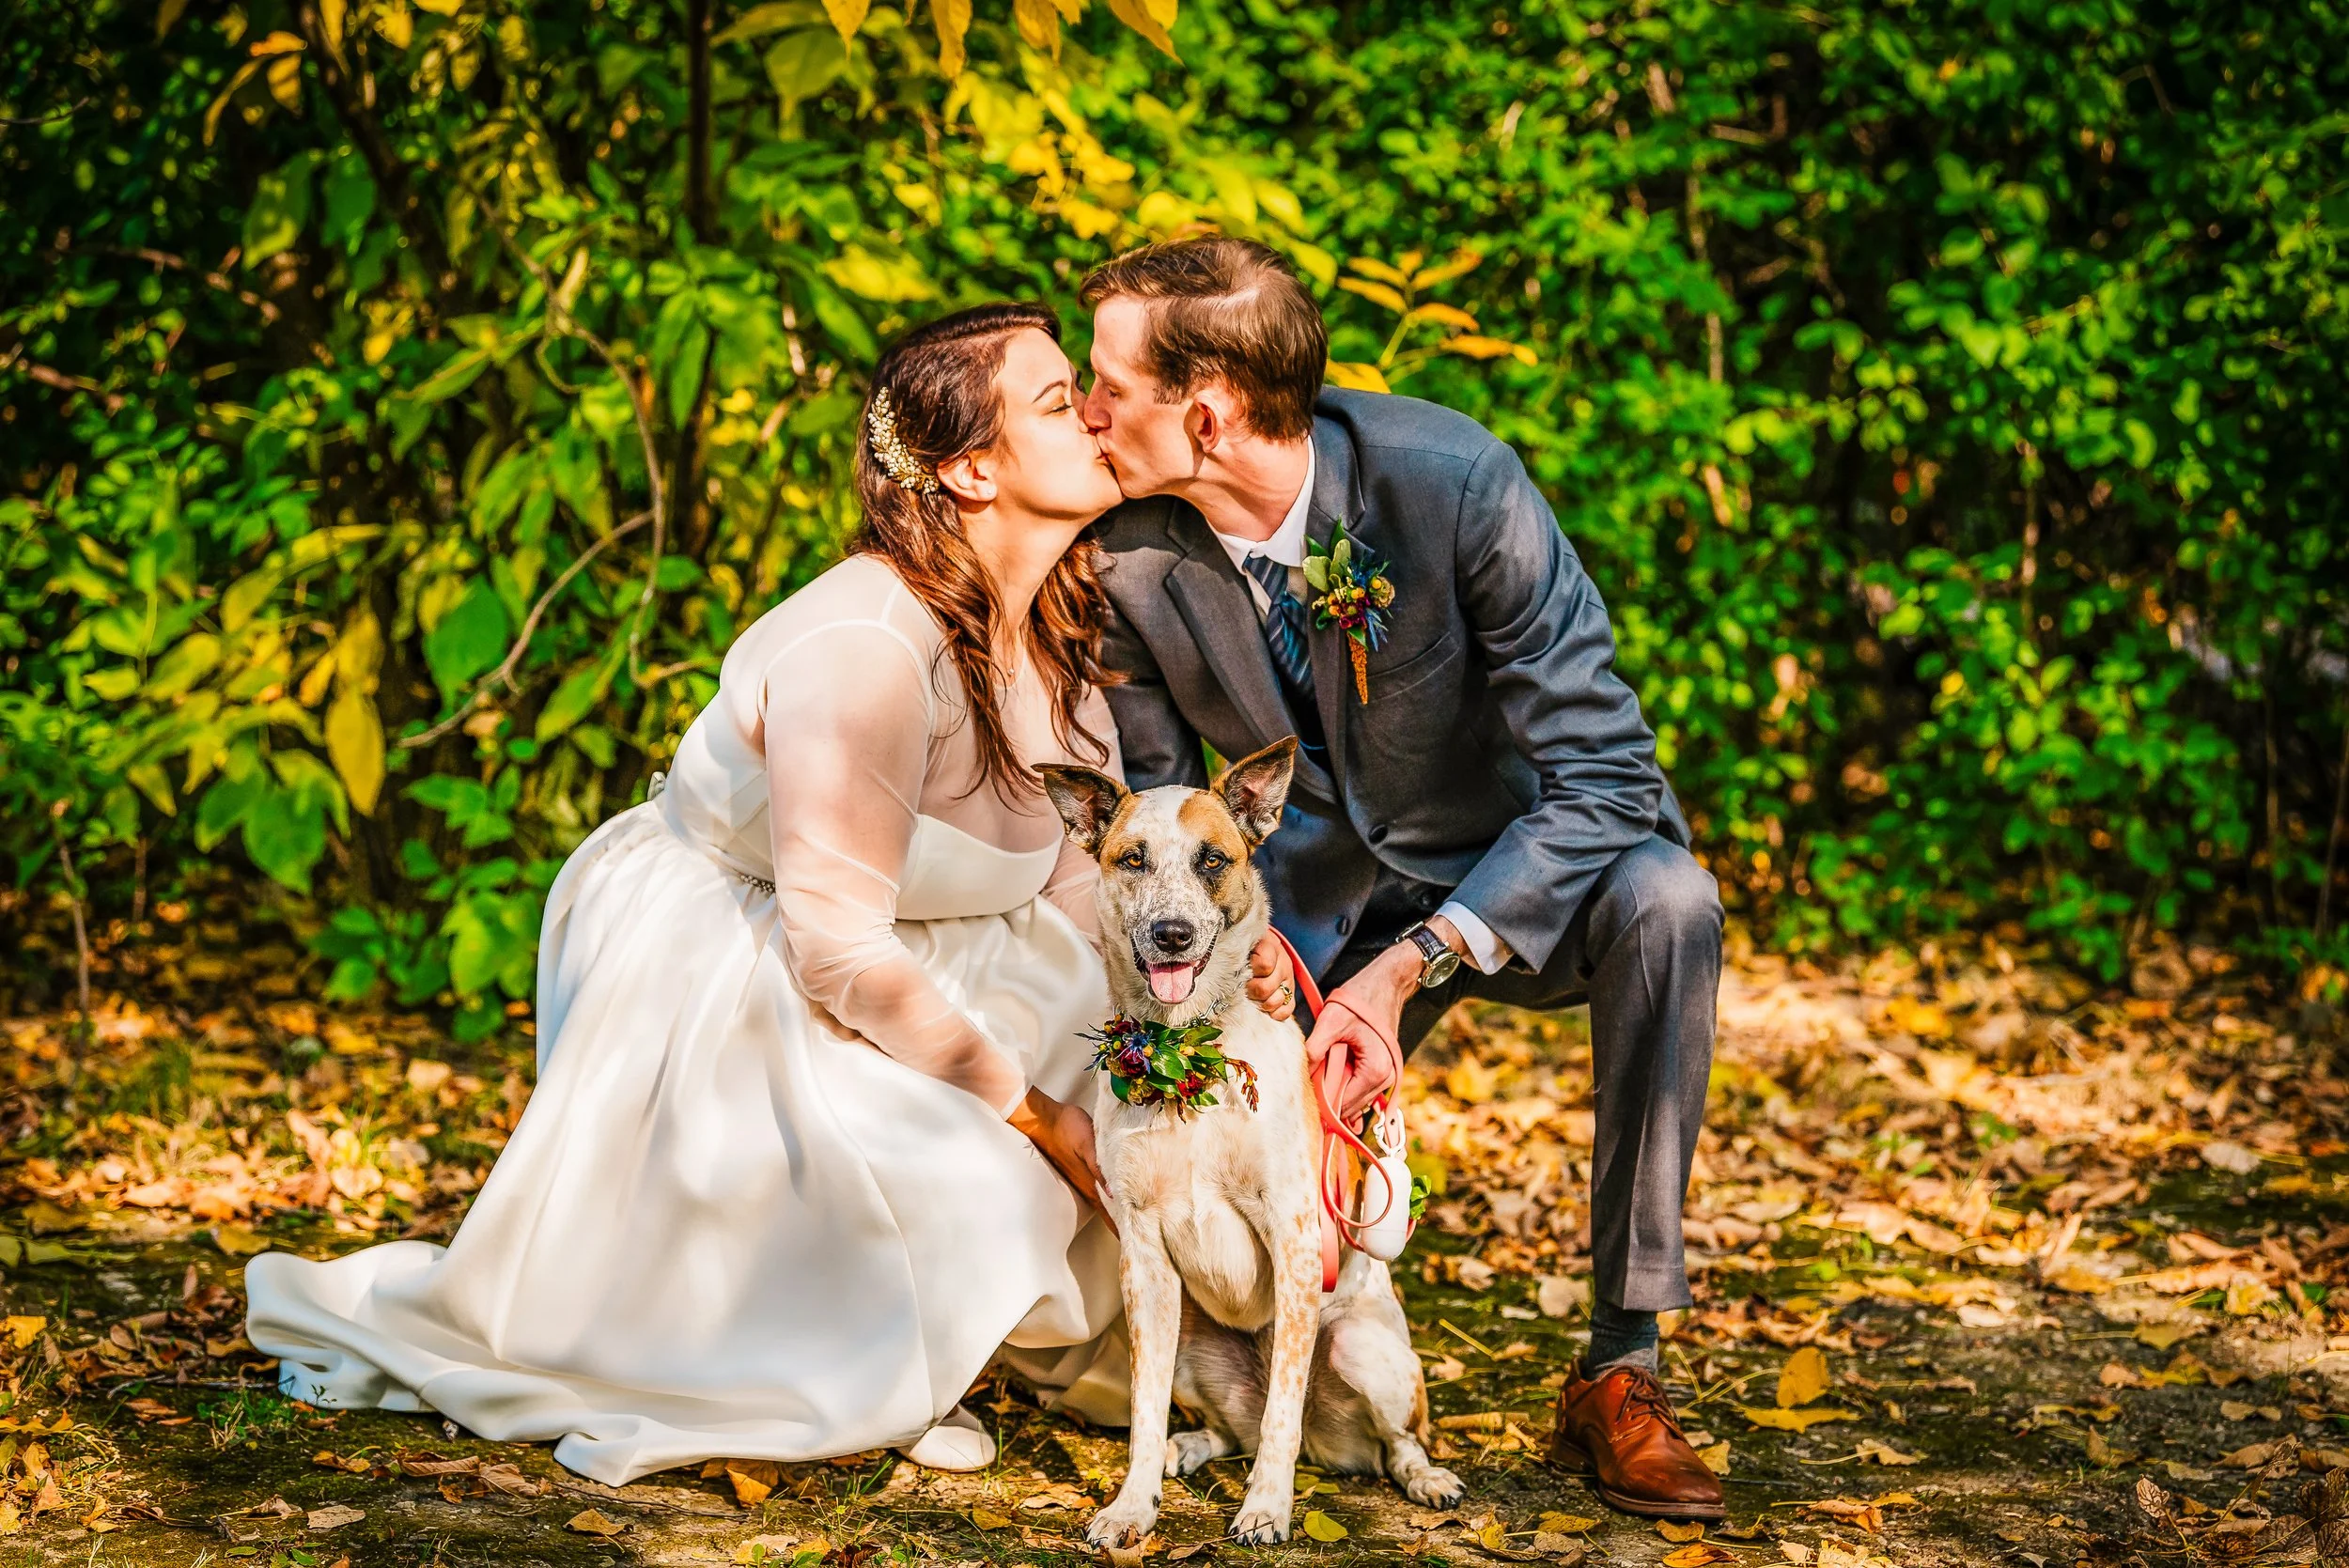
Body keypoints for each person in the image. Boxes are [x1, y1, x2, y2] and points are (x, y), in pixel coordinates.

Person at [245, 303, 1291, 1485]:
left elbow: (1067, 877)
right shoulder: (866, 650)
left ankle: (1049, 1320)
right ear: (970, 467)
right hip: (735, 957)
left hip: (938, 939)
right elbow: (838, 952)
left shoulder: (1052, 622)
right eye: (1059, 402)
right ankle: (824, 1332)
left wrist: (1203, 1001)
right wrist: (1047, 1121)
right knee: (991, 1163)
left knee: (1118, 1071)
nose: (1098, 417)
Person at [1078, 238, 1729, 1521]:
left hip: (1519, 870)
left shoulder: (1452, 481)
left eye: (1109, 384)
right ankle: (1231, 1351)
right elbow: (1158, 806)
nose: (1091, 410)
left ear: (1202, 412)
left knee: (1672, 902)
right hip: (1305, 903)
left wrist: (1418, 961)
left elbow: (1606, 767)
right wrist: (1233, 949)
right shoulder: (1129, 553)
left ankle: (1621, 1367)